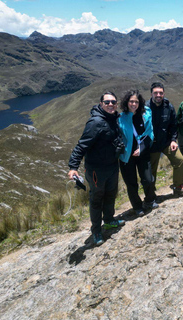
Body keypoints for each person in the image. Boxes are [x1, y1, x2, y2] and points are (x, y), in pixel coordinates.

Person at [68, 91, 125, 246]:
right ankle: (96, 230)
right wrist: (73, 166)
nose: (111, 104)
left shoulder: (114, 118)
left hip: (112, 166)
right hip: (96, 170)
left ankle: (109, 220)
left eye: (113, 101)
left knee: (110, 195)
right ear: (101, 104)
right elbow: (82, 145)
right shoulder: (95, 122)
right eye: (107, 102)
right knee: (97, 199)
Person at [118, 90, 158, 217]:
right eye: (131, 101)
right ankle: (137, 206)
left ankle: (150, 200)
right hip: (126, 156)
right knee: (131, 183)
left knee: (148, 179)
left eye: (136, 101)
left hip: (143, 152)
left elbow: (149, 134)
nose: (134, 104)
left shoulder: (146, 113)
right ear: (126, 102)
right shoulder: (120, 118)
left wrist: (141, 148)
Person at [147, 82, 183, 196]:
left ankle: (178, 186)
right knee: (151, 171)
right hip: (152, 145)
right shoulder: (146, 108)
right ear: (151, 94)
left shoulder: (168, 107)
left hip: (166, 142)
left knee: (179, 160)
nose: (158, 95)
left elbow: (173, 125)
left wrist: (173, 140)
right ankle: (151, 194)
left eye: (160, 93)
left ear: (164, 93)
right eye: (156, 93)